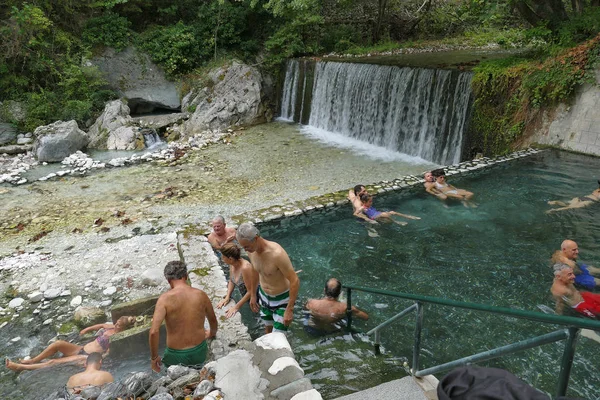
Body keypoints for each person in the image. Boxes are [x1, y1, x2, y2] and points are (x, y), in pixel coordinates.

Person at [150, 261, 218, 371]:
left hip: (175, 355)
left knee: (176, 380)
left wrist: (154, 358)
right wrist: (212, 333)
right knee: (198, 373)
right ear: (186, 276)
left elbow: (154, 332)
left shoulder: (164, 300)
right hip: (199, 351)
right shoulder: (201, 295)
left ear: (168, 281)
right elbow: (213, 320)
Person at [5, 316, 135, 371]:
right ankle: (33, 360)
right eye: (116, 322)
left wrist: (91, 362)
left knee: (53, 362)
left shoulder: (118, 337)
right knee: (58, 343)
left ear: (123, 328)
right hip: (81, 348)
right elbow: (101, 325)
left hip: (87, 357)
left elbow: (108, 353)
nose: (116, 325)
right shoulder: (111, 327)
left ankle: (21, 367)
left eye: (119, 325)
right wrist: (87, 329)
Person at [236, 223, 299, 334]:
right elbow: (255, 271)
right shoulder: (251, 251)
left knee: (278, 336)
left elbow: (295, 280)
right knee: (268, 330)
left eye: (246, 246)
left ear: (256, 238)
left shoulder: (277, 254)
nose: (245, 250)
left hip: (282, 299)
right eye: (243, 247)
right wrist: (253, 295)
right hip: (264, 297)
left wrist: (290, 309)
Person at [304, 278, 368, 335]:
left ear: (324, 290)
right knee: (348, 315)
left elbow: (304, 309)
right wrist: (346, 305)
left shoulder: (311, 302)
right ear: (339, 293)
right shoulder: (345, 307)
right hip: (332, 332)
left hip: (312, 330)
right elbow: (365, 317)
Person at [217, 243, 259, 318]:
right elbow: (231, 280)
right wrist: (227, 297)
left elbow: (251, 291)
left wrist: (236, 307)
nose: (222, 259)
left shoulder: (245, 268)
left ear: (230, 258)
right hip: (246, 298)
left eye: (223, 257)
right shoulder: (232, 264)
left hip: (257, 298)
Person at [355, 193, 420, 226]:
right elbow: (355, 213)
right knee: (385, 214)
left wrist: (358, 195)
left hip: (377, 213)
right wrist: (366, 219)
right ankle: (397, 222)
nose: (371, 203)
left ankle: (408, 216)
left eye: (371, 201)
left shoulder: (366, 204)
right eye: (370, 202)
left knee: (393, 212)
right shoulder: (362, 207)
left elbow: (357, 197)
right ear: (364, 202)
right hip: (374, 217)